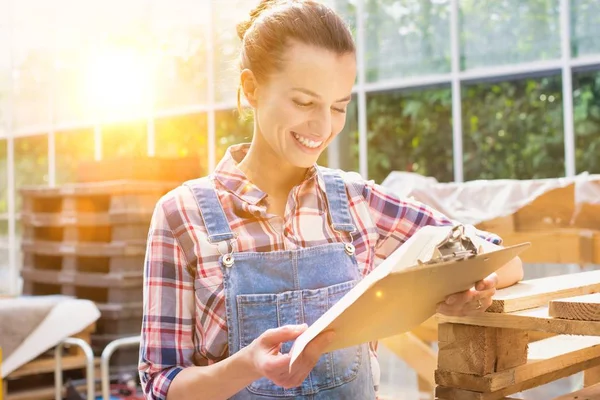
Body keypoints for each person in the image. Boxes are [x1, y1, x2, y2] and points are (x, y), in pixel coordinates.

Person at [138, 1, 524, 399]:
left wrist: (473, 287)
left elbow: (504, 258)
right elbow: (160, 383)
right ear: (252, 88)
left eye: (338, 106)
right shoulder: (182, 215)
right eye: (304, 102)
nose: (323, 126)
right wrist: (247, 366)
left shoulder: (358, 203)